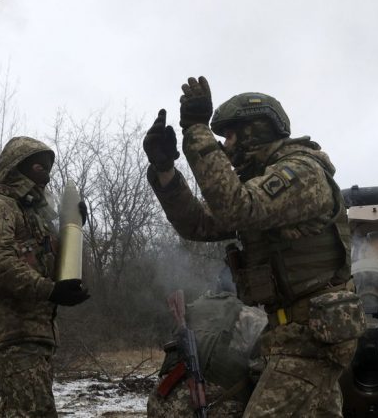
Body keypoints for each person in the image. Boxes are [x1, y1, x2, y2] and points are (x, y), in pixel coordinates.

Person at [143, 77, 366, 417]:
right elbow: (200, 224)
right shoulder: (260, 189)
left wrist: (197, 130)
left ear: (256, 131)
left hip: (312, 338)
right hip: (288, 336)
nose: (226, 146)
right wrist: (165, 172)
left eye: (230, 135)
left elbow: (237, 207)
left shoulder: (303, 173)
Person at [0, 136, 90, 417]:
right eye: (38, 167)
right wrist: (49, 290)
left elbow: (53, 267)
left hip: (32, 332)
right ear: (15, 168)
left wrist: (75, 228)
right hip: (13, 332)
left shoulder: (34, 217)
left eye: (48, 168)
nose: (45, 175)